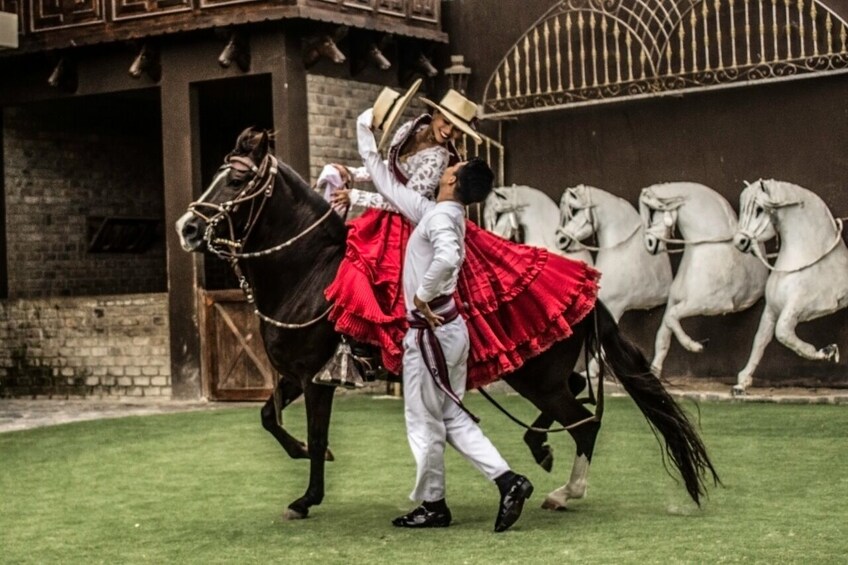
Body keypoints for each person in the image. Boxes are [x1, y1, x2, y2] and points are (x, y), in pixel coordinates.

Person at [318, 85, 600, 392]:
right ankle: (354, 351)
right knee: (352, 269)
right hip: (387, 215)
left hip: (411, 220)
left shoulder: (440, 157)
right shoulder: (409, 128)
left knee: (387, 284)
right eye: (448, 123)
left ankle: (373, 356)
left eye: (458, 130)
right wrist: (353, 174)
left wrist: (357, 196)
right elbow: (388, 172)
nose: (450, 132)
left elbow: (402, 199)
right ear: (436, 113)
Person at [356, 105, 533, 532]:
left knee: (423, 421)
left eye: (454, 165)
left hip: (430, 336)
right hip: (446, 333)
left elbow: (449, 259)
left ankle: (434, 505)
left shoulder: (441, 220)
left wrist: (420, 296)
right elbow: (382, 177)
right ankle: (507, 481)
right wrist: (368, 124)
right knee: (449, 416)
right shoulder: (437, 213)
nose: (448, 163)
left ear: (451, 179)